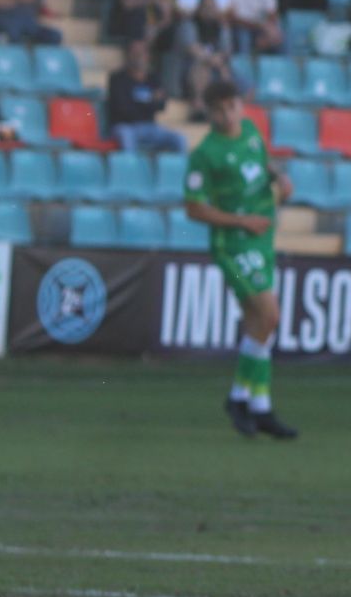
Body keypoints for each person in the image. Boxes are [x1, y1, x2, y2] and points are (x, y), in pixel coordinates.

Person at [183, 81, 298, 441]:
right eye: (220, 109)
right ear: (210, 111)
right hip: (233, 243)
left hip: (261, 237)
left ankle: (260, 406)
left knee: (258, 322)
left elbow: (264, 166)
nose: (229, 114)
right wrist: (241, 222)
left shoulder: (251, 131)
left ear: (241, 106)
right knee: (269, 315)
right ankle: (238, 398)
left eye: (233, 106)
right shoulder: (205, 153)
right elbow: (194, 208)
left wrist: (279, 177)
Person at [106, 40, 183, 153]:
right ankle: (130, 170)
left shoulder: (153, 78)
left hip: (149, 126)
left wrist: (140, 103)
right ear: (127, 55)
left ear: (148, 56)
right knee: (126, 135)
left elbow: (162, 106)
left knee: (179, 138)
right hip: (125, 126)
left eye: (142, 53)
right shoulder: (117, 78)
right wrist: (151, 101)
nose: (138, 56)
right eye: (135, 53)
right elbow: (121, 109)